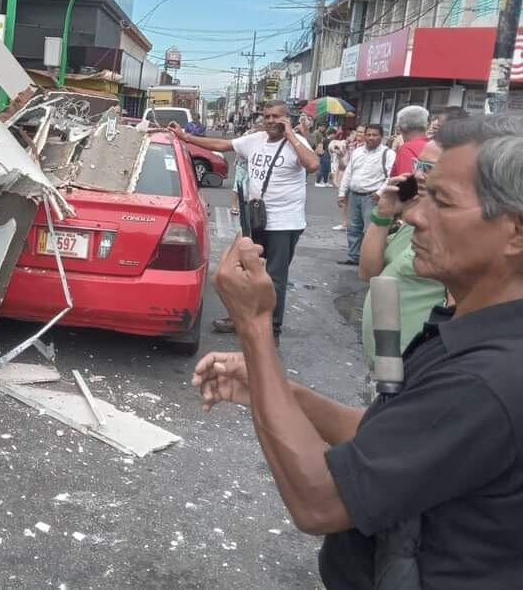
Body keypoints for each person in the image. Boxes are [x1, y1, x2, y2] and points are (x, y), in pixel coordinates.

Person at [192, 115, 523, 590]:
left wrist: (255, 326)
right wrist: (277, 390)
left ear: (515, 232)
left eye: (442, 201)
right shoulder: (469, 329)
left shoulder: (489, 377)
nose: (413, 216)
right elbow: (385, 436)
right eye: (420, 195)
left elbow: (320, 501)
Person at [170, 100, 319, 343]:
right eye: (266, 116)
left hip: (284, 223)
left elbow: (312, 165)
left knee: (273, 277)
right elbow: (221, 144)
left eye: (276, 117)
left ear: (286, 118)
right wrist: (185, 137)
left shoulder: (296, 143)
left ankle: (272, 329)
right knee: (230, 273)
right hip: (255, 220)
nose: (270, 121)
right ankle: (240, 317)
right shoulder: (255, 140)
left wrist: (291, 134)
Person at [358, 139, 449, 368]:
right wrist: (383, 214)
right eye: (418, 164)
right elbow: (369, 272)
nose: (417, 174)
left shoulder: (456, 231)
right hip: (386, 362)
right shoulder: (416, 217)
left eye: (428, 168)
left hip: (415, 365)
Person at [338, 125, 394, 266]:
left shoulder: (388, 154)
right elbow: (348, 173)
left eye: (374, 135)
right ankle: (354, 256)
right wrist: (342, 193)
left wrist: (379, 193)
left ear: (381, 136)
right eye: (368, 135)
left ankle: (371, 260)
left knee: (372, 230)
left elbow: (391, 176)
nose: (371, 138)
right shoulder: (357, 152)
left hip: (372, 197)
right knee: (353, 228)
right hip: (355, 195)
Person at [388, 105, 429, 177]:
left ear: (399, 128)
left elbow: (406, 183)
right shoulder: (435, 146)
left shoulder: (407, 149)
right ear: (426, 125)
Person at [312, 122, 332, 187]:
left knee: (325, 167)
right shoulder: (316, 132)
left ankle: (324, 181)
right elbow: (314, 142)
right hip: (320, 150)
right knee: (322, 167)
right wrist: (317, 149)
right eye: (323, 127)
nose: (324, 128)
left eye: (324, 127)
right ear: (319, 127)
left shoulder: (323, 134)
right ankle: (318, 181)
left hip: (323, 150)